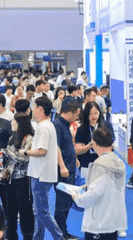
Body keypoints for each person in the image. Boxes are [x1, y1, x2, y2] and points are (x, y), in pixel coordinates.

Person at [21, 97, 66, 240]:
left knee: (42, 212)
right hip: (42, 174)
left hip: (40, 175)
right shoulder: (47, 125)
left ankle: (59, 237)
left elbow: (42, 151)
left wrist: (25, 152)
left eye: (34, 107)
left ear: (40, 109)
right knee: (38, 212)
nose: (32, 110)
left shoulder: (43, 127)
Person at [73, 126, 127, 240]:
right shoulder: (119, 162)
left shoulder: (100, 165)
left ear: (94, 143)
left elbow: (93, 194)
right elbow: (107, 185)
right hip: (113, 222)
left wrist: (76, 197)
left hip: (97, 224)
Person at [0, 113, 35, 240]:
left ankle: (28, 236)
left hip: (23, 179)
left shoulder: (29, 138)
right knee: (10, 210)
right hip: (9, 178)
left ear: (21, 123)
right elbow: (11, 156)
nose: (12, 123)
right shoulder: (12, 137)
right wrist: (2, 156)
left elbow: (25, 158)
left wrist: (8, 152)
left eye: (14, 121)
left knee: (25, 210)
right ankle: (11, 236)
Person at [53, 101, 81, 240]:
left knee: (67, 202)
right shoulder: (58, 125)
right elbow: (56, 147)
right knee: (63, 203)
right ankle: (61, 234)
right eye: (76, 114)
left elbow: (66, 145)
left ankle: (62, 232)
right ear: (70, 113)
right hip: (63, 171)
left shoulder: (64, 124)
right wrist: (62, 166)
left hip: (69, 168)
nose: (77, 117)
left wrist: (74, 158)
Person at [75, 102, 114, 181]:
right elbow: (77, 150)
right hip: (87, 165)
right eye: (90, 114)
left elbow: (112, 146)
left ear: (99, 112)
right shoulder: (81, 129)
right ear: (86, 114)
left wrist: (101, 145)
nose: (94, 116)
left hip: (104, 164)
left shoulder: (106, 126)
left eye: (96, 113)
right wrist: (90, 145)